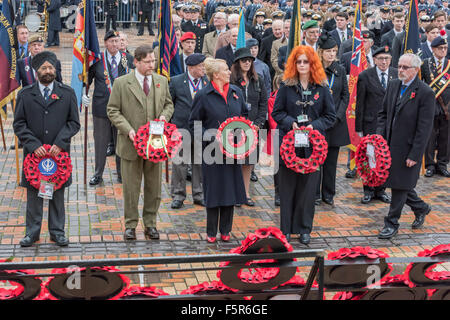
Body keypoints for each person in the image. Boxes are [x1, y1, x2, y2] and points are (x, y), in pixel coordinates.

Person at [13, 51, 80, 247]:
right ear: (36, 71)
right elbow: (19, 124)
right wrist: (34, 145)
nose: (48, 71)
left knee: (57, 194)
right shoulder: (25, 95)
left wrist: (60, 143)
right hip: (34, 156)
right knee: (34, 195)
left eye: (51, 67)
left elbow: (74, 123)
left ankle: (57, 232)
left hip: (58, 156)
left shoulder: (67, 93)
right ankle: (32, 233)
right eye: (44, 68)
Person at [107, 45, 174, 241]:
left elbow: (169, 104)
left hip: (155, 145)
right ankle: (130, 225)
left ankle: (151, 224)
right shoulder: (121, 83)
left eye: (153, 61)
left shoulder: (161, 81)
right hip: (130, 145)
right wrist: (128, 130)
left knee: (154, 187)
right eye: (147, 62)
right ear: (136, 62)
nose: (151, 65)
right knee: (131, 188)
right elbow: (112, 110)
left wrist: (164, 116)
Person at [271, 45, 336, 244]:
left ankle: (304, 228)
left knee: (308, 190)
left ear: (312, 63)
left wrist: (313, 126)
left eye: (305, 62)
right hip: (289, 144)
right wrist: (291, 123)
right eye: (298, 62)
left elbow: (330, 116)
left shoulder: (322, 88)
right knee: (287, 187)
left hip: (313, 147)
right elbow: (277, 112)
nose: (302, 65)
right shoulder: (286, 86)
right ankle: (287, 229)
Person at [189, 57, 248, 243]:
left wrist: (244, 134)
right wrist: (211, 136)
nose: (230, 72)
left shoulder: (236, 92)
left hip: (233, 152)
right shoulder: (203, 95)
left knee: (230, 191)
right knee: (214, 191)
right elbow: (193, 125)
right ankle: (211, 231)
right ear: (215, 75)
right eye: (225, 70)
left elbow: (244, 117)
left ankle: (226, 230)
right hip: (212, 152)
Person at [377, 53, 435, 239]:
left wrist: (415, 155)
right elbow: (383, 114)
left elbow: (424, 129)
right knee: (398, 183)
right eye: (399, 66)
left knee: (400, 185)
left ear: (416, 70)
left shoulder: (425, 93)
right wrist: (379, 139)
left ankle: (391, 223)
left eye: (404, 67)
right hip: (389, 145)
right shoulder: (394, 85)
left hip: (409, 148)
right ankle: (421, 208)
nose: (400, 70)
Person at [87, 30, 135, 186]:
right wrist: (83, 92)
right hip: (102, 108)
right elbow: (87, 80)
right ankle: (98, 173)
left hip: (122, 109)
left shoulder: (127, 59)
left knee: (121, 141)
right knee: (100, 143)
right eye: (112, 41)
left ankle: (122, 174)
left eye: (117, 41)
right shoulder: (97, 60)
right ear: (105, 43)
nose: (115, 44)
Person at [355, 46, 397, 204]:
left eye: (387, 58)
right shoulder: (365, 76)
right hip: (370, 124)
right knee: (369, 157)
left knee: (385, 157)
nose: (384, 62)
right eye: (380, 59)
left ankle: (381, 190)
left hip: (389, 124)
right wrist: (359, 128)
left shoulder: (395, 74)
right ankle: (368, 189)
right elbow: (360, 103)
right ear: (374, 60)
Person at [230, 47, 268, 206]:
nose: (247, 62)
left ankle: (245, 194)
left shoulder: (257, 80)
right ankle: (235, 194)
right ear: (237, 63)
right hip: (235, 128)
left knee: (248, 163)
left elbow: (263, 104)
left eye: (249, 60)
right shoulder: (231, 81)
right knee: (235, 163)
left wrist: (259, 124)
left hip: (253, 128)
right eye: (243, 60)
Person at [315, 32, 349, 207]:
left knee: (331, 162)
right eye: (328, 51)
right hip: (318, 123)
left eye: (334, 51)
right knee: (316, 159)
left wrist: (338, 116)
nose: (331, 54)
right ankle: (314, 193)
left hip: (335, 123)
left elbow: (345, 95)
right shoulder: (314, 70)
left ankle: (328, 193)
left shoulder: (340, 69)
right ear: (321, 52)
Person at [169, 53, 208, 209]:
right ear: (191, 68)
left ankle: (199, 194)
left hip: (200, 130)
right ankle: (178, 195)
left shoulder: (206, 82)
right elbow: (169, 104)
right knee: (180, 164)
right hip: (181, 129)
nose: (204, 69)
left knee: (199, 163)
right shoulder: (176, 81)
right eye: (201, 66)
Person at [421, 35, 450, 178]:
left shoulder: (449, 64)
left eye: (445, 48)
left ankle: (442, 164)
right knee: (430, 136)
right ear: (433, 49)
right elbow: (422, 84)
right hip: (431, 105)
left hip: (447, 106)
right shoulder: (425, 64)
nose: (443, 50)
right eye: (440, 48)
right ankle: (430, 164)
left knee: (446, 137)